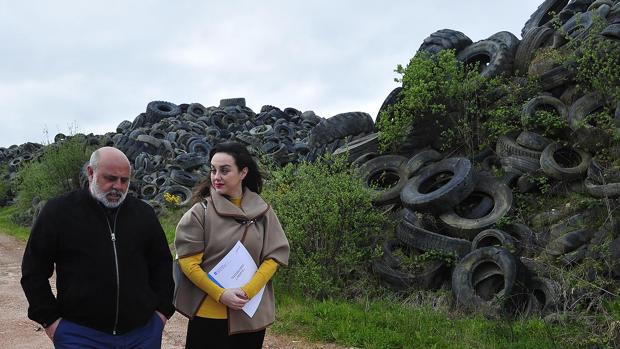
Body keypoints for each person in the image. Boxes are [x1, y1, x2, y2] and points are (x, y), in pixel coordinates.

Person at [21, 146, 175, 348]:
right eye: (110, 178)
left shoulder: (144, 214)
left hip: (141, 334)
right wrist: (51, 321)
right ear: (91, 173)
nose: (118, 187)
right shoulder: (59, 212)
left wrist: (161, 314)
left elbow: (162, 265)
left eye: (124, 180)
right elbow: (34, 271)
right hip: (80, 335)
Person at [174, 141, 290, 349]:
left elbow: (274, 256)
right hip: (208, 316)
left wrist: (248, 291)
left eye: (224, 170)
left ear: (243, 172)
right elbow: (188, 262)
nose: (216, 177)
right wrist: (221, 294)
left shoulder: (263, 212)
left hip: (249, 314)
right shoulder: (200, 212)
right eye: (213, 170)